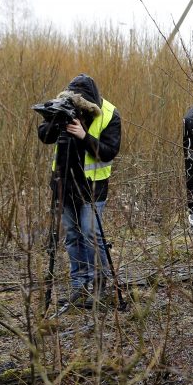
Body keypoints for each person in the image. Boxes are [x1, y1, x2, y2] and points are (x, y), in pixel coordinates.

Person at [37, 74, 121, 307]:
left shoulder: (110, 114)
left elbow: (108, 151)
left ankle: (100, 288)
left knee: (91, 234)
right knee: (73, 236)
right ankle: (79, 287)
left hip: (93, 188)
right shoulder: (63, 107)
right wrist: (55, 120)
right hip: (64, 183)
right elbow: (45, 136)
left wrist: (84, 136)